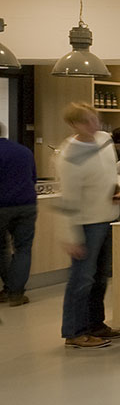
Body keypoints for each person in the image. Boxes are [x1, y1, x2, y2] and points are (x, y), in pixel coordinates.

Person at [56, 103, 120, 349]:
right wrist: (71, 236)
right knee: (82, 279)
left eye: (95, 119)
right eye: (88, 121)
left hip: (109, 216)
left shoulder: (104, 139)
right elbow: (68, 198)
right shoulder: (69, 154)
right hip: (85, 223)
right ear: (74, 125)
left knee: (100, 277)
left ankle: (96, 324)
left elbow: (113, 174)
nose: (94, 125)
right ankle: (75, 331)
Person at [0, 121, 38, 307]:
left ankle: (8, 289)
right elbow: (33, 177)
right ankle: (16, 293)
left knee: (1, 249)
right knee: (23, 249)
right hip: (27, 205)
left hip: (1, 206)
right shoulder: (24, 151)